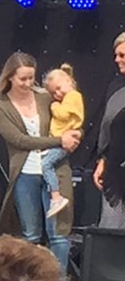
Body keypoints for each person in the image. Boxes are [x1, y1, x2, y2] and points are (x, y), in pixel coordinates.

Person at [0, 52, 78, 274]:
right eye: (23, 79)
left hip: (55, 170)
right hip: (25, 174)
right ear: (10, 77)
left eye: (31, 78)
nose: (28, 83)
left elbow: (71, 116)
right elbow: (19, 140)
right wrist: (59, 140)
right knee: (30, 234)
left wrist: (74, 135)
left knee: (58, 233)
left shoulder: (44, 97)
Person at [42, 64, 85, 218]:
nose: (58, 94)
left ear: (69, 81)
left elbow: (64, 115)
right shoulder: (68, 97)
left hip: (62, 142)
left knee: (46, 165)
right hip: (57, 140)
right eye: (54, 93)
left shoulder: (73, 96)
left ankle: (56, 196)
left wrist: (54, 106)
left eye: (59, 88)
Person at [93, 33, 125, 229]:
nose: (117, 60)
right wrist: (102, 161)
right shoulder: (115, 87)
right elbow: (107, 128)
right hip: (115, 170)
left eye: (122, 55)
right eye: (116, 55)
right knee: (111, 229)